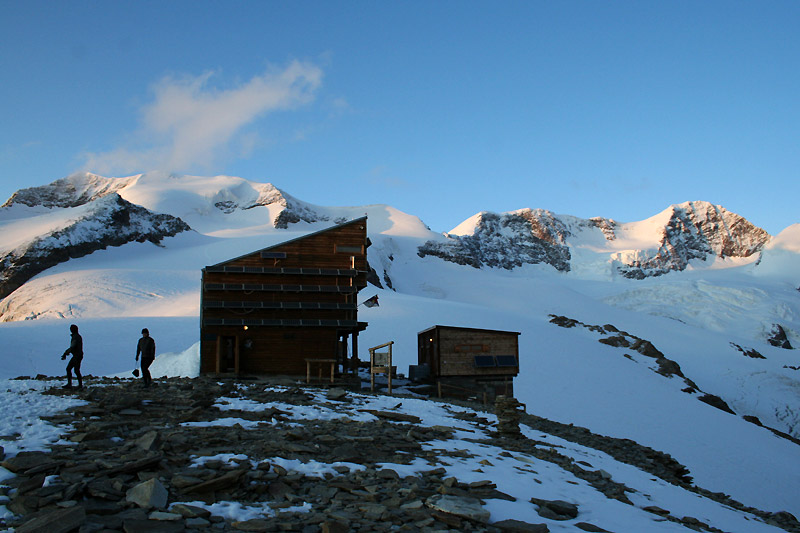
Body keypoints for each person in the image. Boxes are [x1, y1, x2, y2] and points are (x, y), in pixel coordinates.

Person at [61, 324, 83, 390]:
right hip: (78, 355)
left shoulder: (75, 337)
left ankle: (73, 384)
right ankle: (79, 385)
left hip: (77, 356)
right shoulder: (78, 336)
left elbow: (73, 346)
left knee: (71, 369)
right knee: (75, 370)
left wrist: (66, 353)